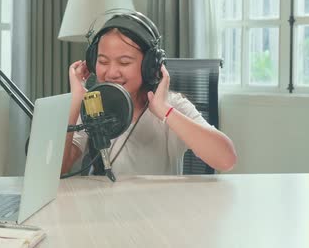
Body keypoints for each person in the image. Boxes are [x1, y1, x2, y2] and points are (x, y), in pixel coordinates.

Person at [61, 12, 237, 176]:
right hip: (107, 206)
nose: (112, 72)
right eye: (103, 61)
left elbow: (226, 159)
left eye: (124, 62)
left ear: (149, 65)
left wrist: (163, 110)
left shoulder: (172, 105)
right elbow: (60, 170)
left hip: (157, 207)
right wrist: (76, 101)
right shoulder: (93, 105)